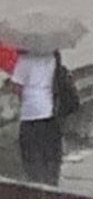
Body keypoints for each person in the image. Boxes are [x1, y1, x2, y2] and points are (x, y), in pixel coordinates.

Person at [9, 49, 62, 186]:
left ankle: (36, 184)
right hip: (49, 111)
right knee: (48, 152)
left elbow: (16, 87)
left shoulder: (25, 61)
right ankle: (50, 182)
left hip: (30, 114)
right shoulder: (52, 57)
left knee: (30, 153)